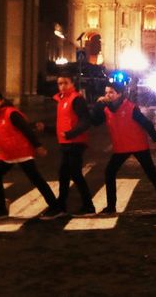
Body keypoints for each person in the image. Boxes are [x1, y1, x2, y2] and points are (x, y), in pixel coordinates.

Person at [0, 91, 60, 220]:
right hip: (7, 154)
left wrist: (38, 146)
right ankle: (1, 208)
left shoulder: (11, 113)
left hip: (21, 152)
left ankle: (55, 207)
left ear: (1, 101)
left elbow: (26, 129)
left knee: (36, 179)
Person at [92, 82, 156, 214]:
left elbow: (146, 124)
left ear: (119, 94)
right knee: (109, 172)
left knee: (152, 175)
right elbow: (94, 122)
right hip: (121, 147)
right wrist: (98, 106)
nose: (107, 95)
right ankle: (111, 207)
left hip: (138, 146)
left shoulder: (130, 108)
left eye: (111, 92)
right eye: (106, 92)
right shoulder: (105, 109)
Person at [53, 74, 96, 216]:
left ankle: (88, 206)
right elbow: (62, 122)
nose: (62, 86)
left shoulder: (76, 99)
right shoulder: (61, 100)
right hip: (66, 142)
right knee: (64, 175)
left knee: (74, 174)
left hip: (76, 142)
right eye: (60, 83)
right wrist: (46, 129)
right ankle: (62, 206)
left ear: (72, 83)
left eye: (65, 82)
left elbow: (85, 121)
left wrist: (71, 134)